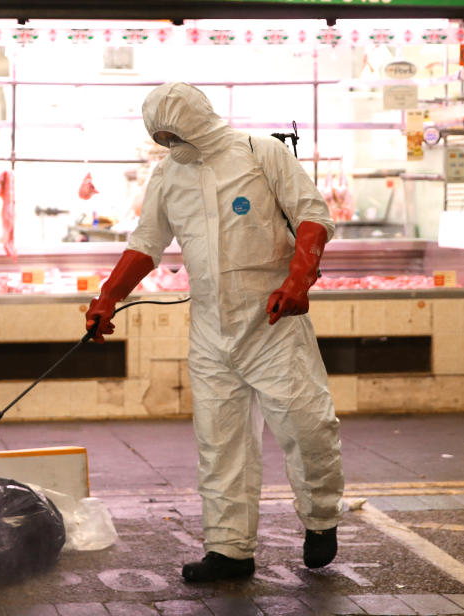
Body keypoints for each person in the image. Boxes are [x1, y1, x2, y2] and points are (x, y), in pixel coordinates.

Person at [84, 82, 345, 582]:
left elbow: (313, 216)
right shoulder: (167, 176)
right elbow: (147, 242)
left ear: (198, 120)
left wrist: (298, 280)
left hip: (273, 322)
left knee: (306, 425)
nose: (168, 142)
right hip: (210, 328)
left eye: (173, 132)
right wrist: (107, 297)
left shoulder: (260, 153)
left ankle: (321, 518)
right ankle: (229, 550)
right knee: (220, 441)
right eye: (159, 135)